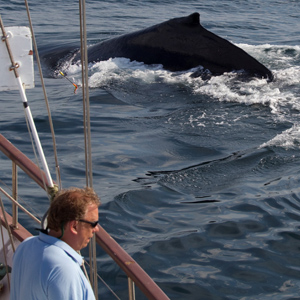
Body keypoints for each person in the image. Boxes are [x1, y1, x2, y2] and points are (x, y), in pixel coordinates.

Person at [10, 187, 101, 300]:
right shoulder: (64, 269)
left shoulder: (26, 245)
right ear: (74, 226)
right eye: (93, 223)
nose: (96, 229)